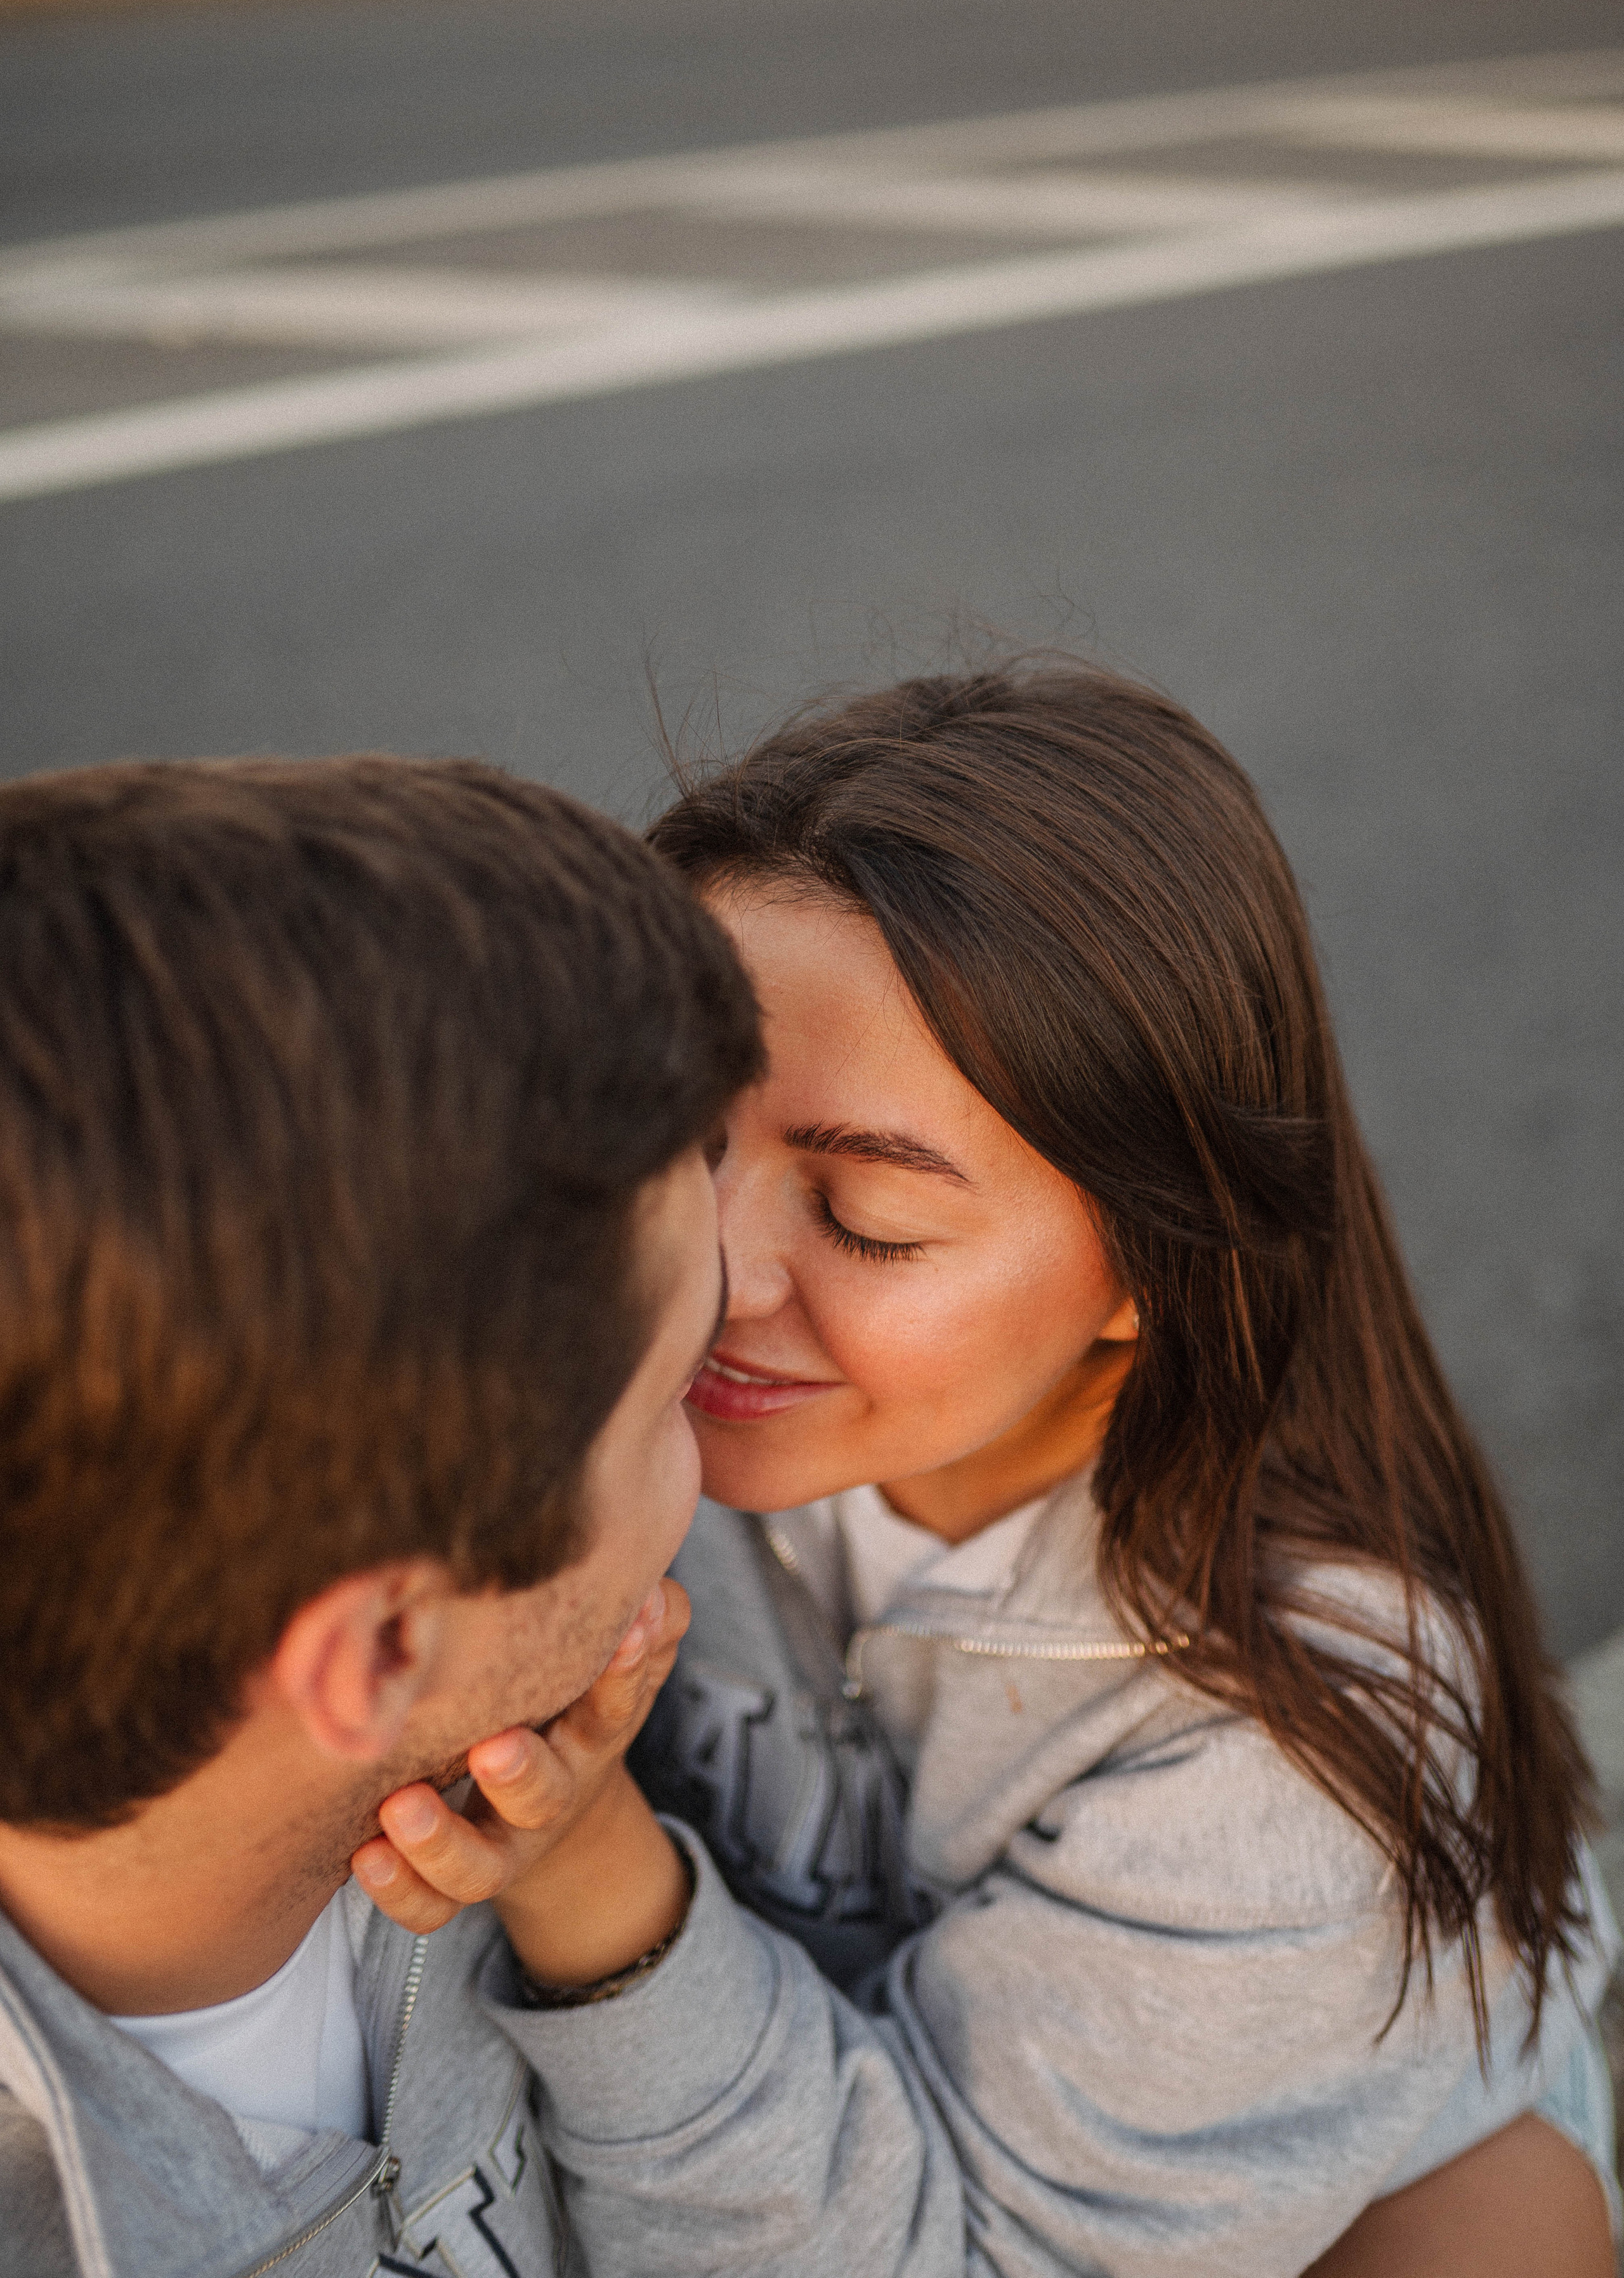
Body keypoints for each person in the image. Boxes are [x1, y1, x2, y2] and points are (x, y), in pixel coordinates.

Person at [365, 665, 1620, 2277]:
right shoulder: (577, 1372)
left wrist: (593, 1873)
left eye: (870, 1220)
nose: (713, 1270)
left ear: (1150, 1265)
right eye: (679, 1139)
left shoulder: (1294, 1765)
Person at [0, 754, 761, 2276]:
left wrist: (598, 1883)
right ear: (383, 1648)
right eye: (678, 1390)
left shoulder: (523, 1787)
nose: (730, 1441)